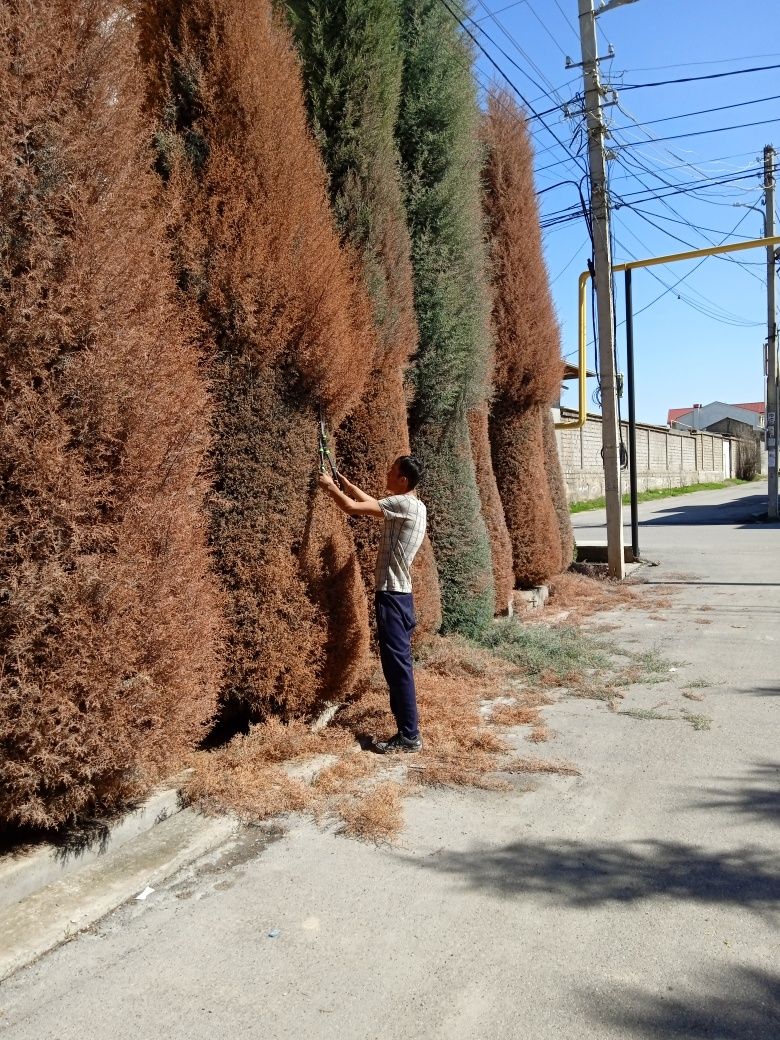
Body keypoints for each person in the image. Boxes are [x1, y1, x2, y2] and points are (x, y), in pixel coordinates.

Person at [318, 456, 427, 753]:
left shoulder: (401, 505)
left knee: (398, 669)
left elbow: (354, 509)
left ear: (403, 480)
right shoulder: (414, 505)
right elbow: (372, 505)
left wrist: (328, 487)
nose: (387, 474)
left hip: (392, 596)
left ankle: (409, 736)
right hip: (401, 597)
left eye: (392, 472)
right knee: (398, 667)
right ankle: (408, 731)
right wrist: (347, 484)